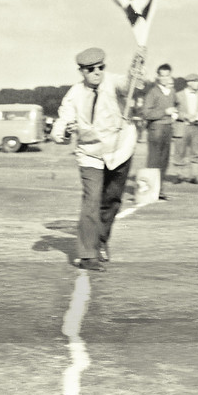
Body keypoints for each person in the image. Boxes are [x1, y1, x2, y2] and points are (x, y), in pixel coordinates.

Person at [51, 47, 142, 271]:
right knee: (91, 201)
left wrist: (136, 69)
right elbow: (62, 122)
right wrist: (61, 132)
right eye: (91, 69)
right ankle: (87, 254)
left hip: (120, 150)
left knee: (112, 200)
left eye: (101, 67)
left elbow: (129, 85)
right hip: (90, 154)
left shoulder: (113, 83)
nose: (97, 72)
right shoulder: (74, 94)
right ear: (81, 71)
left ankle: (100, 241)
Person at [142, 63, 179, 200]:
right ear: (157, 77)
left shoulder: (172, 92)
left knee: (164, 160)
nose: (164, 78)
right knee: (154, 160)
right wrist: (165, 112)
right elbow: (146, 113)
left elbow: (177, 105)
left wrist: (175, 113)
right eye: (162, 76)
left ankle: (159, 189)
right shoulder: (153, 92)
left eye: (167, 75)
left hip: (168, 128)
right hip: (156, 128)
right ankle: (150, 190)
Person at [173, 73, 198, 184]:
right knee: (180, 152)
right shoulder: (178, 95)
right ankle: (179, 175)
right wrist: (185, 116)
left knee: (196, 152)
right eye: (195, 81)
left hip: (196, 126)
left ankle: (194, 176)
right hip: (182, 126)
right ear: (189, 83)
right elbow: (174, 111)